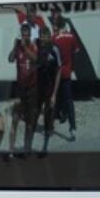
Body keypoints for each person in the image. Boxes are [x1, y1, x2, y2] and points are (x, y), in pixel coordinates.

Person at [7, 23, 39, 158]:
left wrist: (25, 47)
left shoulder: (33, 46)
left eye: (27, 35)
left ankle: (27, 149)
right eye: (23, 34)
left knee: (30, 122)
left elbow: (35, 59)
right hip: (20, 88)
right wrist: (15, 47)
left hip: (31, 89)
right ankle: (11, 150)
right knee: (15, 119)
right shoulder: (18, 47)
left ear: (29, 35)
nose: (24, 37)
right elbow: (10, 59)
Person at [52, 14, 80, 142]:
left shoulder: (55, 39)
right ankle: (73, 128)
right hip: (67, 73)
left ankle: (50, 126)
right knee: (69, 101)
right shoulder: (71, 37)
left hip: (56, 74)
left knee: (53, 99)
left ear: (57, 26)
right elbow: (76, 52)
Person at [35, 26, 62, 158]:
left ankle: (44, 148)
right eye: (41, 35)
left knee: (47, 119)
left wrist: (54, 94)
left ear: (49, 36)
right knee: (33, 115)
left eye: (44, 36)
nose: (42, 38)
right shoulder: (37, 47)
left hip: (49, 88)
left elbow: (58, 71)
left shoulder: (54, 49)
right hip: (37, 88)